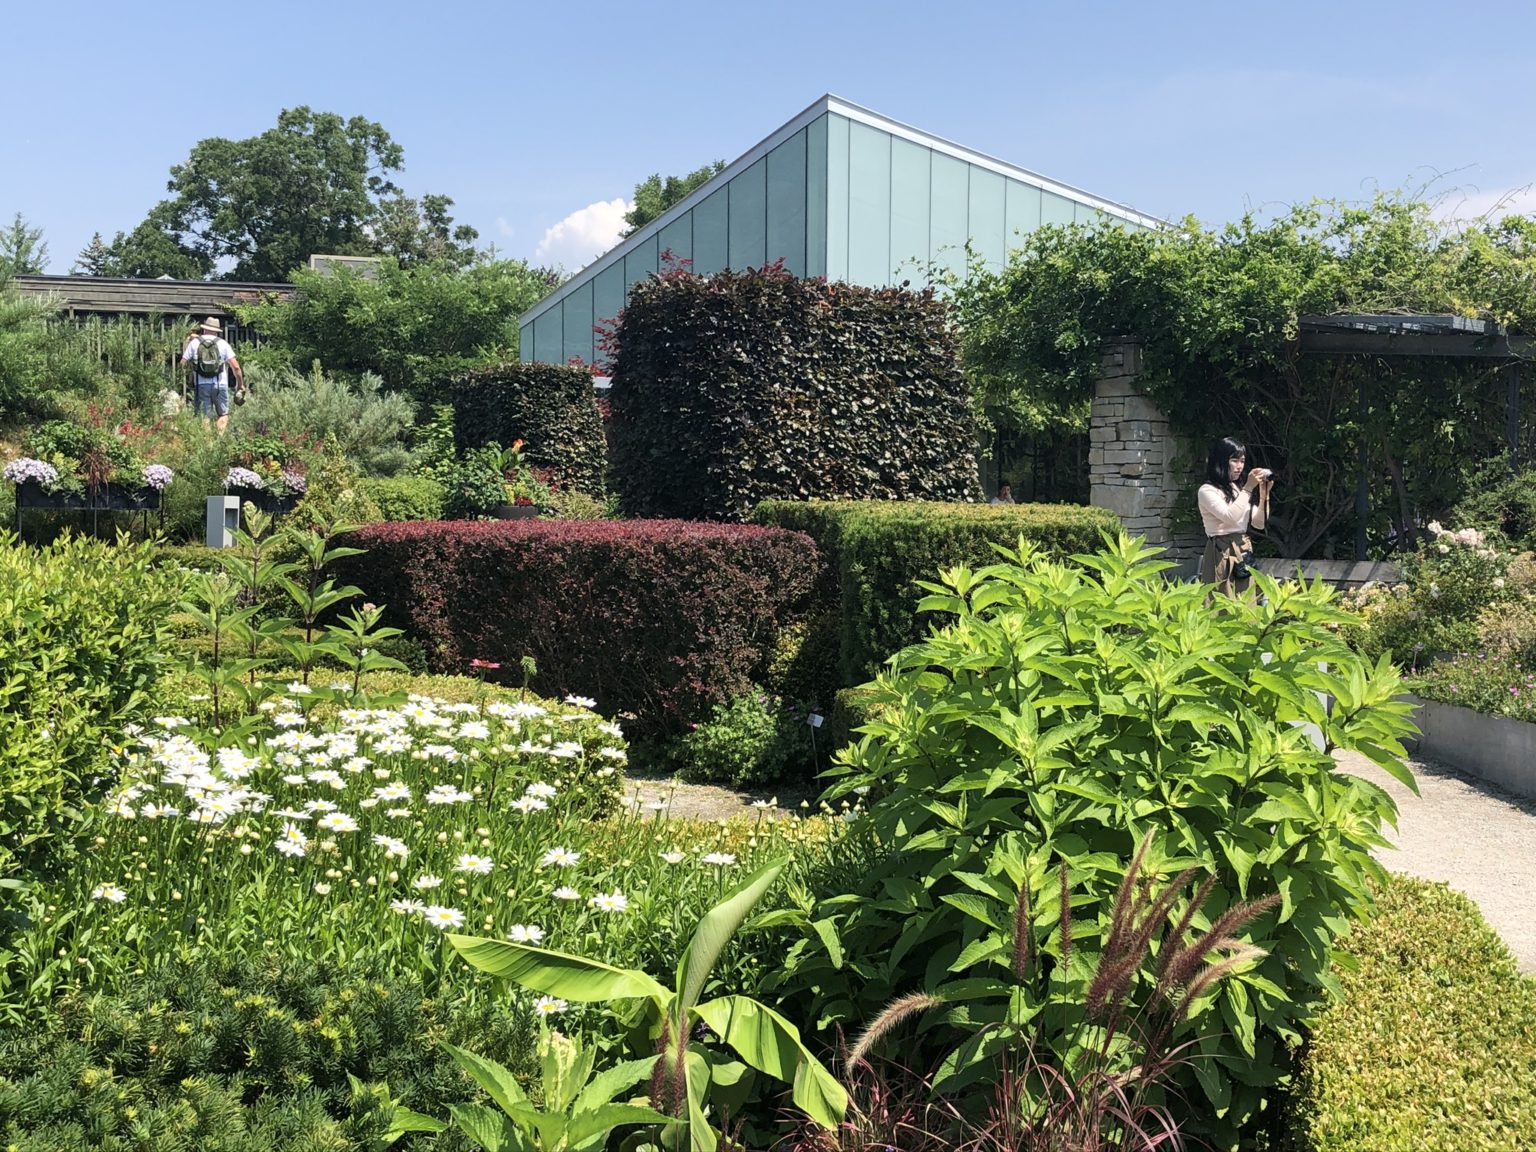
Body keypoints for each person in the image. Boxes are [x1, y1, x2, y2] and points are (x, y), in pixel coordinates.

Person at [1197, 437, 1272, 599]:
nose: (1240, 466)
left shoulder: (1237, 490)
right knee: (1221, 600)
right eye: (1234, 460)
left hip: (1243, 548)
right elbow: (1230, 517)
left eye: (1243, 461)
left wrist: (1264, 495)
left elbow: (1259, 523)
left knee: (1245, 599)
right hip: (1221, 550)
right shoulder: (1207, 491)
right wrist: (1249, 488)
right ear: (1221, 461)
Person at [181, 316, 244, 432]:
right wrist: (240, 384)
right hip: (220, 385)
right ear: (216, 331)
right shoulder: (223, 344)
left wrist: (189, 377)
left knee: (205, 416)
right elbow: (236, 367)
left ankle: (207, 444)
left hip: (201, 385)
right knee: (223, 414)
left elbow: (183, 363)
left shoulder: (194, 343)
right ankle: (219, 441)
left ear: (204, 329)